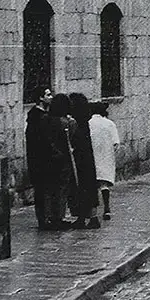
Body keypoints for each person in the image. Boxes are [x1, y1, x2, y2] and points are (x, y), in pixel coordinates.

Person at [41, 93, 77, 230]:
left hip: (47, 158)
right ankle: (59, 217)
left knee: (49, 188)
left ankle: (48, 216)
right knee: (61, 189)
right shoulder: (67, 122)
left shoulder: (45, 119)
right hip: (63, 159)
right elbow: (71, 136)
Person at [68, 93, 100, 229]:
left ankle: (88, 218)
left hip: (81, 159)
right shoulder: (85, 121)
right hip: (87, 158)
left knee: (82, 187)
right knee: (88, 187)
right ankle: (88, 218)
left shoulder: (77, 124)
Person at [26, 86, 53, 229]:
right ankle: (44, 220)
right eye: (48, 95)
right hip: (41, 161)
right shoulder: (39, 117)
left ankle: (45, 219)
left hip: (40, 161)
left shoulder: (38, 116)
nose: (51, 97)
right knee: (43, 191)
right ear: (41, 98)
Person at [89, 101, 119, 221]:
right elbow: (116, 143)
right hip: (106, 156)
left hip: (92, 156)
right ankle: (107, 208)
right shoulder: (110, 124)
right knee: (104, 184)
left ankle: (94, 212)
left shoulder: (89, 123)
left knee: (93, 184)